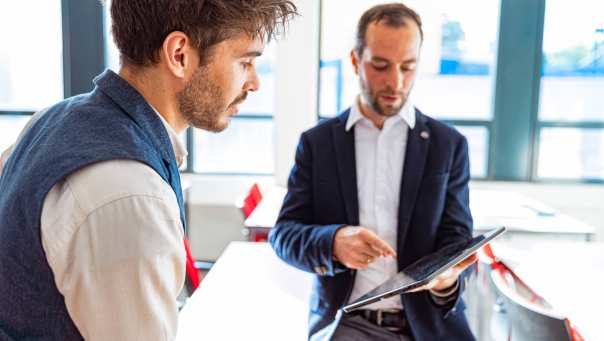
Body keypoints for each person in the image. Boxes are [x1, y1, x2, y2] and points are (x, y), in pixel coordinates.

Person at [0, 1, 296, 339]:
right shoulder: (130, 195)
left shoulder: (50, 119)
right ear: (179, 54)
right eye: (245, 62)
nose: (255, 83)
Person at [269, 3, 476, 340]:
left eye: (408, 67)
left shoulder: (447, 145)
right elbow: (284, 236)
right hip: (347, 323)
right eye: (381, 66)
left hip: (427, 328)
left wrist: (447, 278)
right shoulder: (317, 144)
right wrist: (333, 243)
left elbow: (457, 239)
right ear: (355, 60)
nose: (395, 82)